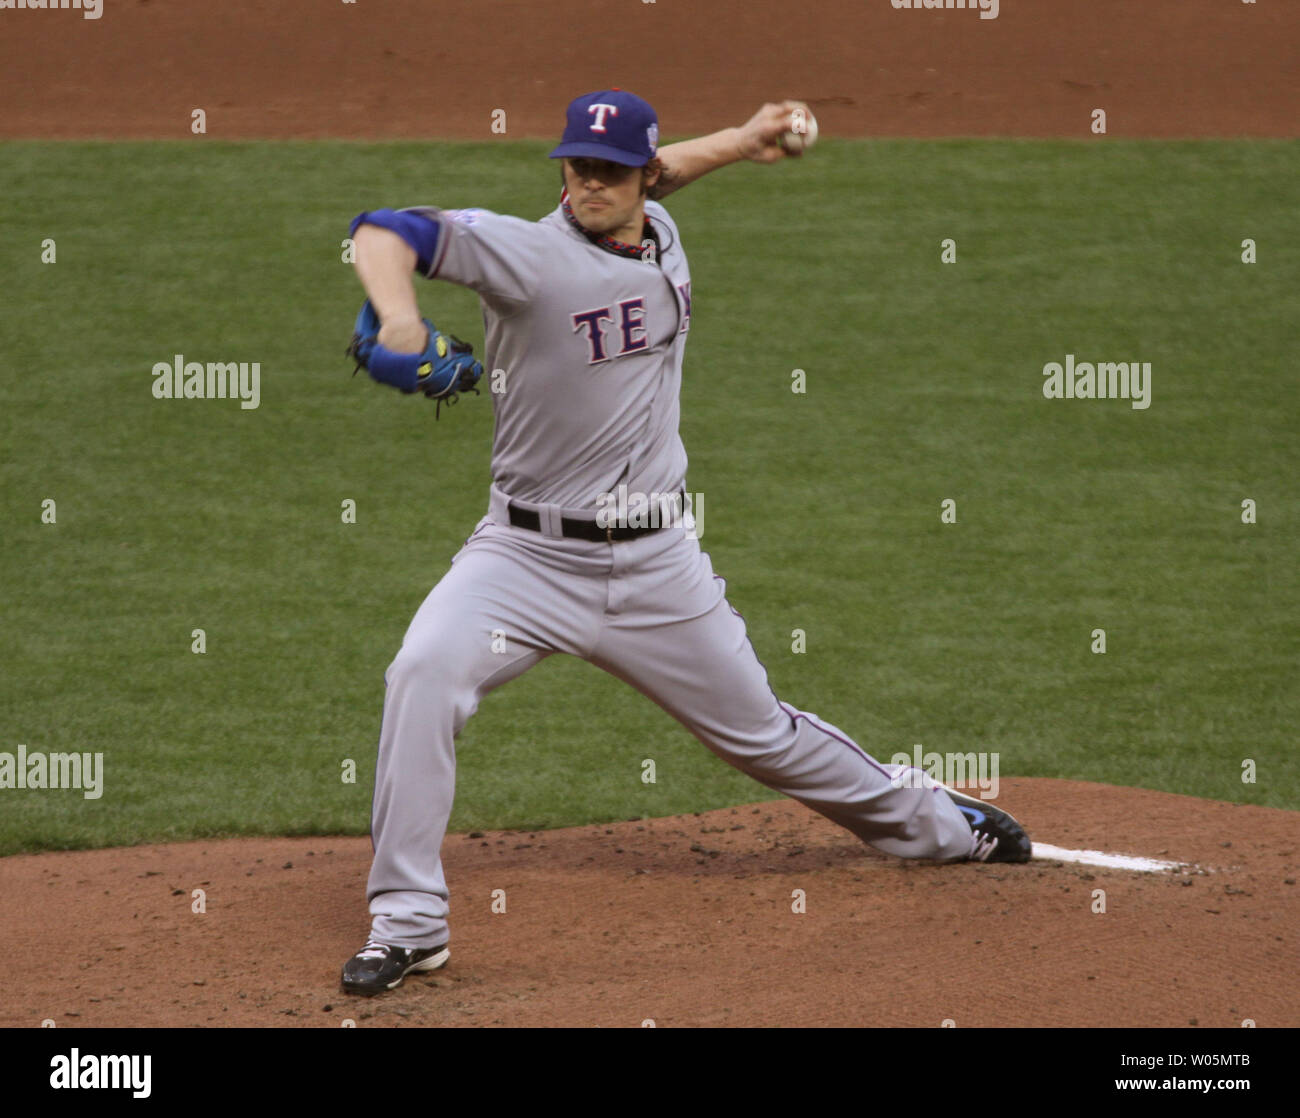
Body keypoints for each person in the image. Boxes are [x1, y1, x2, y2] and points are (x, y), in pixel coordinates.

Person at [339, 90, 1032, 997]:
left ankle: (938, 826)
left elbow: (671, 174)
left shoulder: (660, 224)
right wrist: (399, 317)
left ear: (644, 175)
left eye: (612, 170)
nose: (589, 183)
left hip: (658, 561)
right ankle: (409, 924)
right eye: (576, 166)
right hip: (525, 561)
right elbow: (381, 232)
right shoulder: (523, 255)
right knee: (421, 674)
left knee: (765, 736)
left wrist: (743, 143)